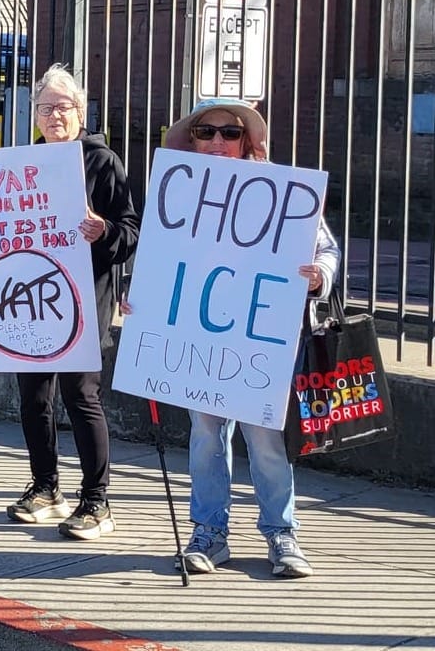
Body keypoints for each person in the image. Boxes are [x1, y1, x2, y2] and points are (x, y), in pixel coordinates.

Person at [125, 97, 339, 578]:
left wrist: (317, 276)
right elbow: (158, 262)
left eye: (229, 132)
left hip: (258, 343)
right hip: (197, 338)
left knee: (265, 441)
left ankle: (281, 535)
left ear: (247, 141)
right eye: (206, 132)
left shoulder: (283, 190)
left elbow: (325, 247)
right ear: (192, 141)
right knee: (205, 437)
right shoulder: (176, 193)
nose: (218, 141)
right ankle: (208, 533)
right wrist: (140, 302)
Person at [0, 64, 140, 540]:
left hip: (83, 296)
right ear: (34, 115)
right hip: (28, 300)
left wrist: (104, 230)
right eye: (46, 108)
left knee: (80, 394)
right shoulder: (21, 165)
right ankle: (47, 488)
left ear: (81, 111)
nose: (55, 116)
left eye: (64, 107)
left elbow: (131, 232)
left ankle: (97, 501)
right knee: (34, 396)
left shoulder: (102, 161)